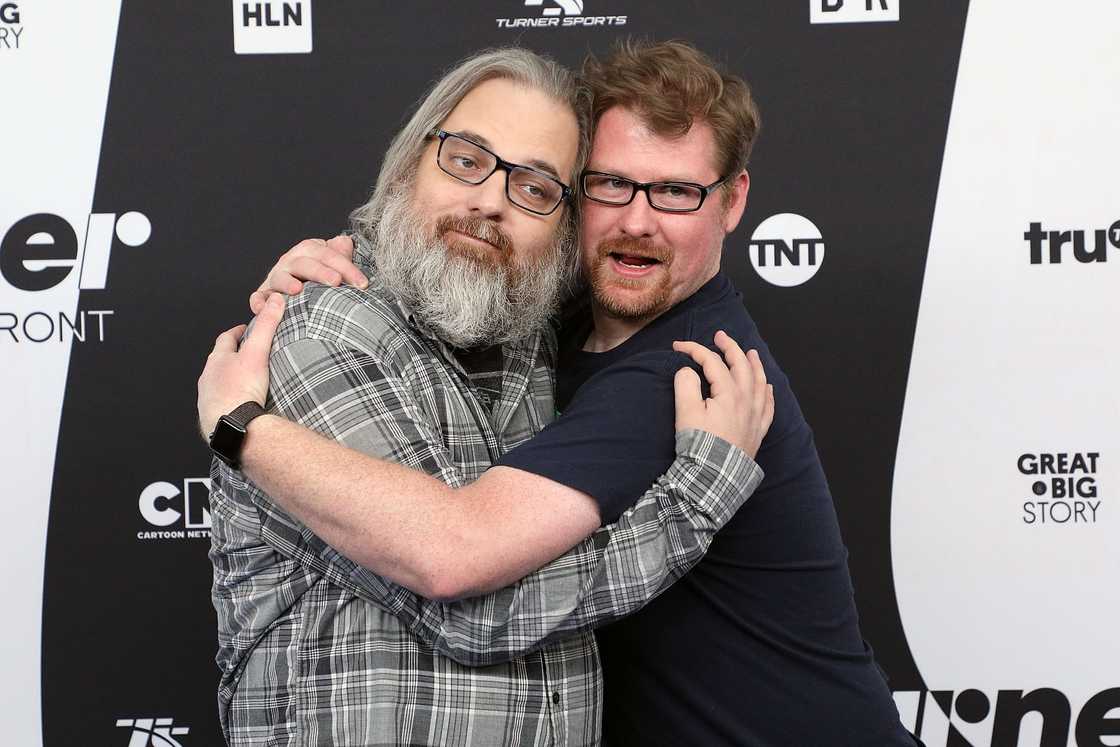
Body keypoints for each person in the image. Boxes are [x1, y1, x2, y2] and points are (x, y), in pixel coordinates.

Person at [209, 40, 922, 745]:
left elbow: (460, 565)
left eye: (675, 191)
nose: (637, 220)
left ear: (732, 200)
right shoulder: (500, 324)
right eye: (611, 183)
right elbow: (459, 576)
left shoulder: (684, 374)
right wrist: (310, 282)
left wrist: (240, 428)